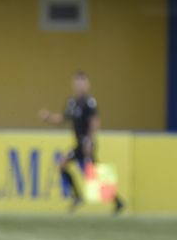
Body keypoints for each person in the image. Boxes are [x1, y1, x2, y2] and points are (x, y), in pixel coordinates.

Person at [39, 71, 124, 213]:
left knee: (94, 174)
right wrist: (48, 117)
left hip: (86, 143)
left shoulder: (89, 102)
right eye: (77, 82)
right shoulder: (72, 103)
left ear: (88, 84)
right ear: (73, 84)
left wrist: (89, 141)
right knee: (62, 164)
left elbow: (95, 122)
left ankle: (117, 201)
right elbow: (62, 118)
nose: (79, 85)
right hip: (79, 144)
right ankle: (78, 196)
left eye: (82, 82)